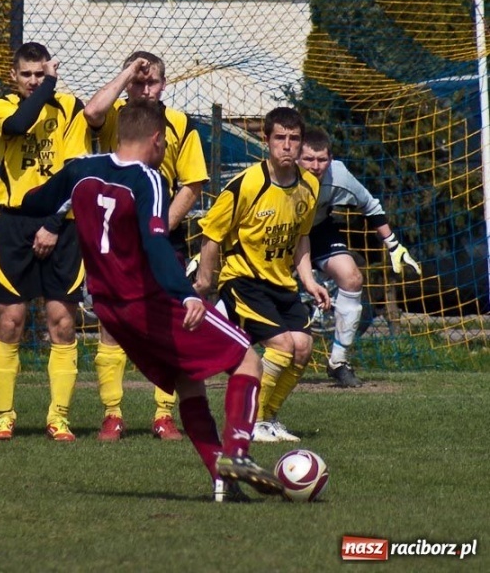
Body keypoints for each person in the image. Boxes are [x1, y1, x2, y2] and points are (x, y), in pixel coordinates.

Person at [21, 100, 284, 501]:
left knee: (187, 380)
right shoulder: (149, 178)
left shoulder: (80, 170)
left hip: (110, 309)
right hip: (150, 300)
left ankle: (223, 481)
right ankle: (238, 454)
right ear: (157, 139)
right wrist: (184, 293)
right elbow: (156, 241)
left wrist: (50, 196)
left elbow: (33, 202)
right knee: (246, 357)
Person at [81, 51, 209, 441]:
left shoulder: (180, 125)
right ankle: (112, 414)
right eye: (138, 81)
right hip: (113, 241)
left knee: (168, 325)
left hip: (159, 239)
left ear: (164, 85)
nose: (144, 88)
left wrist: (156, 228)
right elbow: (90, 114)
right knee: (110, 325)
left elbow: (193, 183)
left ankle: (163, 415)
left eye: (151, 81)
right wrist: (125, 76)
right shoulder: (115, 118)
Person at [194, 107, 331, 444]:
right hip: (243, 280)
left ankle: (268, 419)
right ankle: (249, 422)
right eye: (280, 138)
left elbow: (300, 238)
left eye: (294, 139)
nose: (287, 145)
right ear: (266, 141)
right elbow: (212, 233)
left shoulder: (309, 186)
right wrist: (204, 282)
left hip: (281, 282)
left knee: (303, 346)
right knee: (282, 346)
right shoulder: (247, 184)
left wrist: (309, 281)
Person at [0, 42, 90, 441]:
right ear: (14, 76)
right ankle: (3, 416)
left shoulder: (69, 108)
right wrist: (49, 83)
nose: (33, 81)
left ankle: (58, 417)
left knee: (62, 322)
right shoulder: (1, 107)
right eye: (26, 74)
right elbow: (18, 126)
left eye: (39, 74)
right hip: (15, 224)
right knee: (9, 320)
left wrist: (54, 221)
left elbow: (76, 173)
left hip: (61, 223)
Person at [298, 127, 421, 387]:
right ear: (297, 157)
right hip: (280, 233)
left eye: (322, 159)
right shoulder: (280, 173)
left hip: (317, 230)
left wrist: (393, 245)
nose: (316, 166)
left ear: (330, 159)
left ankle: (339, 362)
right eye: (309, 159)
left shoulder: (339, 174)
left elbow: (370, 205)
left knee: (352, 277)